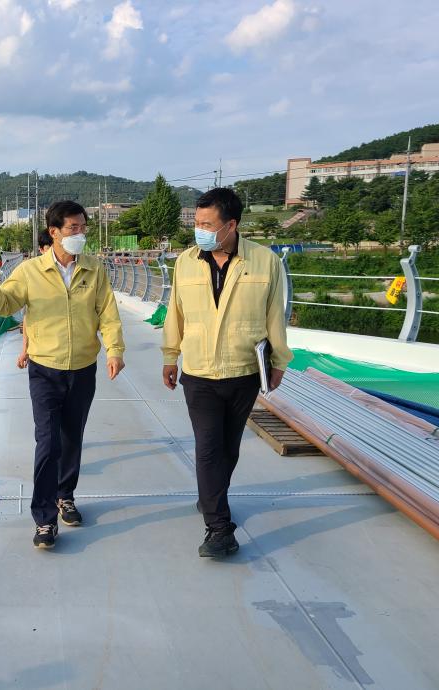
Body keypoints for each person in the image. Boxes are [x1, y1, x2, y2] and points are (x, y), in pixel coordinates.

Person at [0, 200, 125, 549]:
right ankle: (44, 519)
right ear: (54, 232)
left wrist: (115, 350)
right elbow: (4, 306)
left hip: (83, 368)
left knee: (72, 437)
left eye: (83, 227)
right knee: (48, 442)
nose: (80, 234)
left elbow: (109, 313)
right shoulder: (30, 271)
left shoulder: (94, 269)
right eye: (73, 228)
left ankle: (65, 496)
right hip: (45, 369)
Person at [161, 187, 292, 558]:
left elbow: (274, 318)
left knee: (229, 448)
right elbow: (176, 313)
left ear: (231, 224)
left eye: (207, 224)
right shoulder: (186, 261)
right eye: (196, 223)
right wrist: (170, 357)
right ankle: (219, 527)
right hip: (199, 371)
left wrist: (279, 361)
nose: (199, 230)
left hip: (244, 370)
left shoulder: (265, 262)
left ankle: (211, 497)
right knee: (207, 447)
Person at [17, 230, 54, 369]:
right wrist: (25, 350)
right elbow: (28, 318)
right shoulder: (30, 273)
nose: (52, 251)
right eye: (48, 248)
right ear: (41, 249)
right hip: (41, 357)